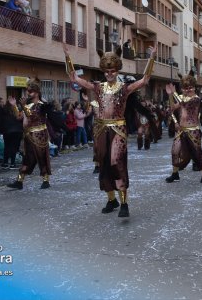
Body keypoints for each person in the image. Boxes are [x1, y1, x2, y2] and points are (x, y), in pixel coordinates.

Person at [66, 44, 156, 218]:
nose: (109, 74)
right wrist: (68, 57)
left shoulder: (124, 88)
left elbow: (145, 80)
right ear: (103, 71)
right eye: (107, 71)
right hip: (100, 130)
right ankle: (111, 199)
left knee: (117, 162)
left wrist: (151, 57)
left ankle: (124, 203)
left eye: (113, 71)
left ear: (117, 70)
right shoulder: (98, 87)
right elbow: (74, 78)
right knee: (104, 164)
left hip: (118, 130)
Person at [164, 70, 202, 184]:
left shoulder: (196, 99)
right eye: (185, 88)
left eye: (190, 87)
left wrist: (174, 94)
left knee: (197, 152)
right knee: (175, 151)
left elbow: (185, 105)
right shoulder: (181, 97)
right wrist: (170, 96)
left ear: (194, 87)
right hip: (181, 131)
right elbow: (172, 108)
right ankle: (175, 174)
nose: (188, 90)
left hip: (193, 131)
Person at [7, 78, 53, 190]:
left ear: (37, 92)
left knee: (42, 157)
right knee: (27, 158)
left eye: (30, 91)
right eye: (27, 91)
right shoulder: (27, 105)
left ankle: (46, 180)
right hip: (28, 136)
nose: (28, 93)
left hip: (40, 135)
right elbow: (19, 117)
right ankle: (19, 181)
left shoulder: (42, 104)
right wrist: (14, 105)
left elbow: (32, 116)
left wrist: (22, 106)